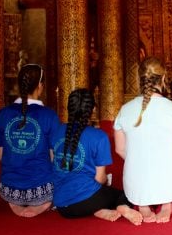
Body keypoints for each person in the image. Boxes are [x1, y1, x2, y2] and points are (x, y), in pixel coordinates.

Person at [114, 56, 172, 223]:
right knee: (171, 165)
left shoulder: (125, 110)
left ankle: (143, 205)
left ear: (139, 79)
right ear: (163, 78)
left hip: (136, 179)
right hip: (170, 177)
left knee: (139, 169)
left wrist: (141, 161)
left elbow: (120, 149)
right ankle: (167, 202)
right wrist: (167, 162)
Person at [51, 89, 142, 224]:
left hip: (62, 207)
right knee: (126, 194)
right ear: (93, 109)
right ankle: (120, 207)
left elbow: (54, 164)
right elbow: (100, 179)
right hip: (88, 200)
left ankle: (98, 209)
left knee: (94, 193)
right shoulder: (98, 136)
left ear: (69, 108)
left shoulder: (57, 131)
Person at [0, 64, 59, 217]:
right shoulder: (49, 115)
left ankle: (15, 203)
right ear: (40, 86)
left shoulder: (3, 114)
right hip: (42, 190)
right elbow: (54, 156)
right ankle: (43, 204)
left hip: (9, 190)